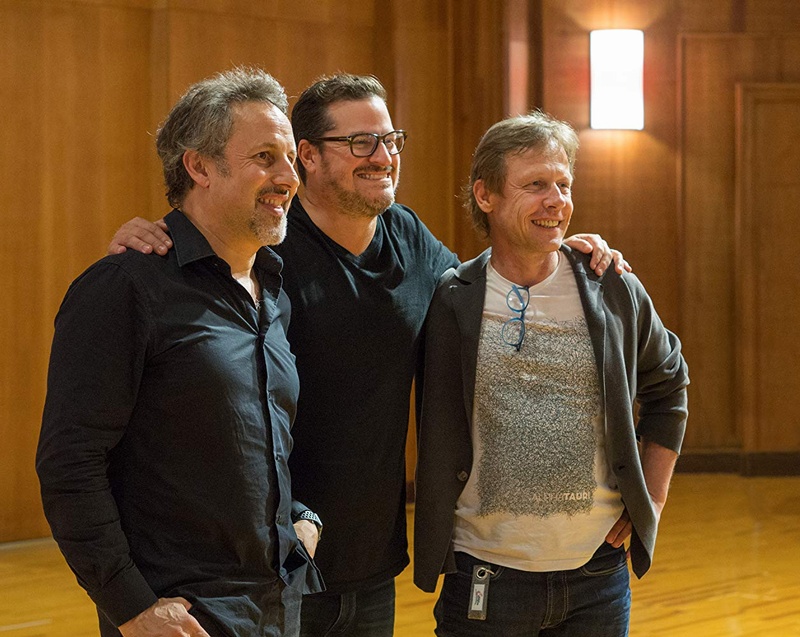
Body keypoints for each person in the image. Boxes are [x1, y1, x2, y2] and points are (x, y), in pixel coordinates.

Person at [108, 74, 628, 637]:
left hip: (371, 564)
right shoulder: (263, 239)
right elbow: (194, 257)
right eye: (361, 142)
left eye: (391, 140)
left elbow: (491, 296)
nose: (383, 156)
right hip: (266, 568)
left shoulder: (409, 237)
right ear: (308, 156)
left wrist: (561, 250)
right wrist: (154, 235)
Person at [36, 68, 324, 637]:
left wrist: (300, 520)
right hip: (180, 617)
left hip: (277, 605)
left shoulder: (272, 291)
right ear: (199, 167)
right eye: (265, 157)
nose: (289, 177)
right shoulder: (124, 287)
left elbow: (253, 445)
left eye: (291, 159)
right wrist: (131, 607)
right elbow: (70, 464)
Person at [412, 110, 689, 636]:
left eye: (563, 184)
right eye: (536, 185)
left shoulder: (612, 287)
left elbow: (669, 387)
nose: (556, 200)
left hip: (597, 574)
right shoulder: (450, 299)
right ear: (485, 195)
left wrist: (651, 500)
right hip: (484, 574)